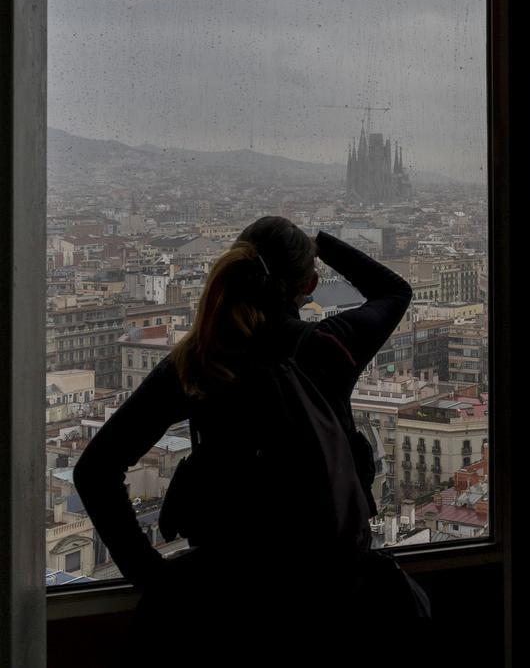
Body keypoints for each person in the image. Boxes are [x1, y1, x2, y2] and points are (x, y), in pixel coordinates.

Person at [73, 216, 421, 664]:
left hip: (225, 606)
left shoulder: (199, 360)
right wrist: (320, 242)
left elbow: (95, 470)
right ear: (310, 283)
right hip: (328, 600)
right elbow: (395, 291)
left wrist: (155, 580)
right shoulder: (330, 345)